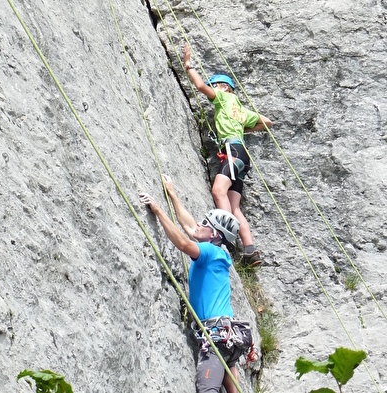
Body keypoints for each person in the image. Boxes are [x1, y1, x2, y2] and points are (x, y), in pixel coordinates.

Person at [139, 175, 252, 393]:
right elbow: (190, 226)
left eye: (205, 224)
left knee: (206, 388)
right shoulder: (219, 252)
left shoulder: (209, 251)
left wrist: (158, 210)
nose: (199, 224)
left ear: (214, 234)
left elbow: (183, 242)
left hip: (216, 336)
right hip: (226, 335)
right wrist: (172, 194)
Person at [183, 43, 273, 266]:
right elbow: (267, 122)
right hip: (241, 152)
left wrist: (188, 65)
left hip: (232, 150)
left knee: (217, 190)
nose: (213, 91)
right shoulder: (241, 110)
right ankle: (250, 250)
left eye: (216, 87)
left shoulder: (224, 99)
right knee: (234, 207)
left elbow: (200, 86)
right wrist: (242, 129)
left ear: (223, 87)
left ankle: (226, 237)